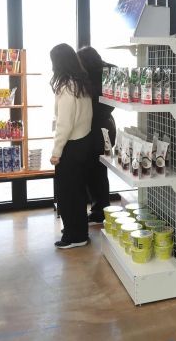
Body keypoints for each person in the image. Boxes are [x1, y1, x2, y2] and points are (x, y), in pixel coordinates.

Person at [49, 44, 93, 249]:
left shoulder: (66, 87)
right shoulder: (81, 84)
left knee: (67, 193)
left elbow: (64, 124)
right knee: (77, 192)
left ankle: (74, 236)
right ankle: (79, 232)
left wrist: (56, 152)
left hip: (71, 146)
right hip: (83, 142)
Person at [77, 46, 115, 224]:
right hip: (107, 127)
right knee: (99, 170)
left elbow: (94, 107)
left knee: (95, 171)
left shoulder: (91, 78)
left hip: (96, 130)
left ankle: (99, 210)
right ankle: (100, 208)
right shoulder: (110, 72)